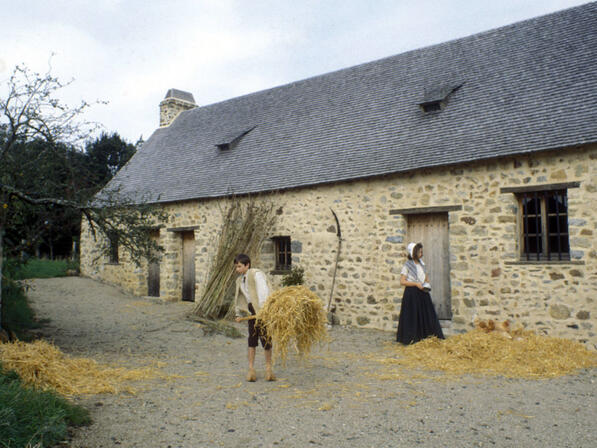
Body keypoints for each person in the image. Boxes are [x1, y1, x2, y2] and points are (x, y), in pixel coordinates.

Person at [233, 253, 275, 381]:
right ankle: (251, 369)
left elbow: (263, 291)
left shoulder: (256, 274)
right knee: (251, 340)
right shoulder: (240, 280)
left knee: (266, 340)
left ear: (247, 265)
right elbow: (239, 297)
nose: (237, 269)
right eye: (236, 267)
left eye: (239, 266)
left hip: (262, 310)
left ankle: (268, 369)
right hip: (251, 312)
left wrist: (263, 310)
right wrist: (239, 314)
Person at [396, 242, 445, 344]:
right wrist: (415, 284)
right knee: (412, 315)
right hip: (412, 293)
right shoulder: (407, 265)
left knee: (425, 314)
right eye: (420, 252)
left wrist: (426, 283)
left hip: (422, 292)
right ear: (414, 252)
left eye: (422, 251)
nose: (421, 253)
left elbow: (426, 278)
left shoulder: (422, 264)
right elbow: (402, 281)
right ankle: (411, 337)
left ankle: (425, 336)